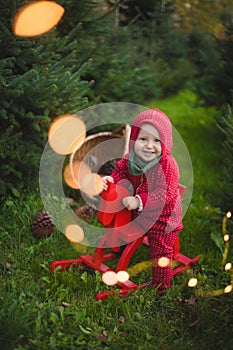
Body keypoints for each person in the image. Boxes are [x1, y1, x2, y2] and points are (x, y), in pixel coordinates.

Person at [101, 108, 183, 293]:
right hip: (138, 210)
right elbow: (120, 170)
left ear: (165, 143)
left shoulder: (167, 166)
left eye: (156, 141)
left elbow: (164, 194)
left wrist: (139, 201)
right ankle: (119, 249)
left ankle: (161, 285)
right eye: (143, 139)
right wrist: (111, 180)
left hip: (164, 216)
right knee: (120, 220)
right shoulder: (131, 159)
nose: (149, 145)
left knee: (160, 246)